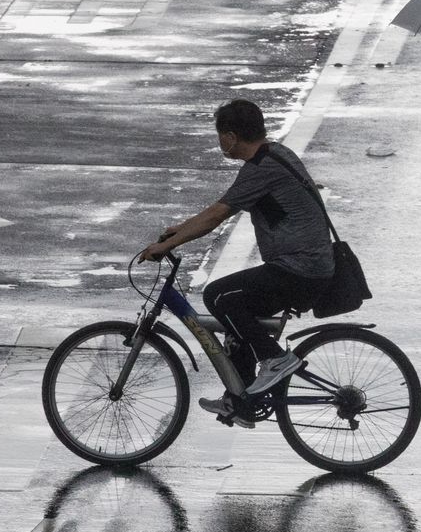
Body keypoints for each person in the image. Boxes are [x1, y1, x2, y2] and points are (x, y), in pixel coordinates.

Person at [139, 99, 333, 418]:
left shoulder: (261, 169)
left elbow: (216, 215)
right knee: (237, 311)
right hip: (308, 266)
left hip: (301, 270)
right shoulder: (275, 155)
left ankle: (275, 360)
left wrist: (164, 246)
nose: (220, 142)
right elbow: (218, 210)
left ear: (229, 137)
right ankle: (240, 398)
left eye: (220, 135)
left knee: (219, 295)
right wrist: (179, 232)